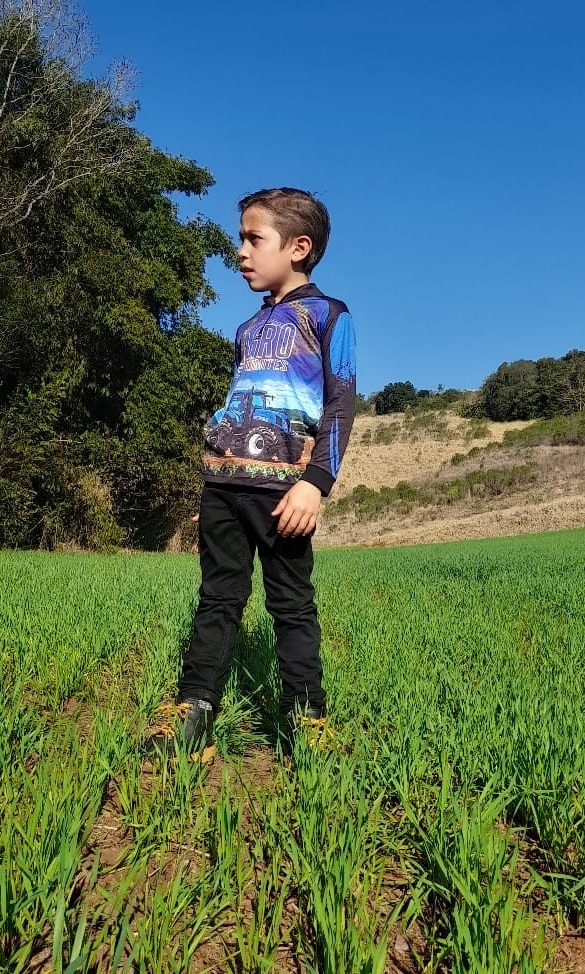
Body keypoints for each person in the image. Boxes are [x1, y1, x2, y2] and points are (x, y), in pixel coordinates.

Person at [148, 187, 356, 762]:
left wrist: (315, 482)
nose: (240, 251)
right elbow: (239, 399)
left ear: (298, 247)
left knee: (291, 604)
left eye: (252, 238)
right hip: (222, 486)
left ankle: (307, 722)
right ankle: (192, 713)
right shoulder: (247, 329)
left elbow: (340, 405)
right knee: (217, 599)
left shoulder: (328, 316)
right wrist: (213, 481)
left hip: (285, 491)